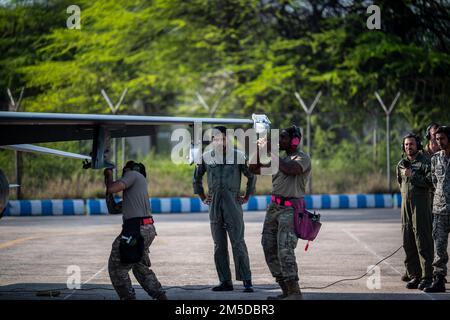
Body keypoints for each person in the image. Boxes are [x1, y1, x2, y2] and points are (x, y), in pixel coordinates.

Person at [250, 125, 311, 300]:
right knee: (268, 247)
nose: (279, 141)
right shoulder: (280, 159)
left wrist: (271, 151)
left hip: (290, 209)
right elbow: (253, 169)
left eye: (283, 137)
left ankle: (295, 292)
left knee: (285, 250)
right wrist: (259, 149)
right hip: (274, 208)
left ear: (294, 141)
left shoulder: (302, 158)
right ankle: (286, 289)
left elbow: (290, 169)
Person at [193, 126, 256, 293]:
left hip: (233, 205)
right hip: (214, 206)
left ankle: (246, 280)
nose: (219, 142)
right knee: (219, 245)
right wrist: (202, 196)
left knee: (238, 242)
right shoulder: (206, 157)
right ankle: (225, 281)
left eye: (222, 138)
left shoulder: (239, 156)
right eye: (215, 139)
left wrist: (247, 196)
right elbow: (196, 178)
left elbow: (251, 177)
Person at [104, 160, 167, 300]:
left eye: (125, 170)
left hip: (136, 230)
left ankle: (128, 298)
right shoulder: (135, 192)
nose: (123, 172)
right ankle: (160, 295)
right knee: (139, 267)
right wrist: (107, 181)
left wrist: (109, 177)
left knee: (117, 268)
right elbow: (113, 208)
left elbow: (112, 188)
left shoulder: (133, 174)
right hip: (146, 229)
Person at [396, 133, 434, 290]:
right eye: (406, 145)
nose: (408, 147)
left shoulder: (426, 162)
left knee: (423, 240)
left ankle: (427, 276)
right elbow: (400, 184)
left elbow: (430, 182)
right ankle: (414, 275)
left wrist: (413, 176)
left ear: (418, 145)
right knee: (408, 241)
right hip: (406, 206)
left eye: (411, 144)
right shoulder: (401, 164)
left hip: (421, 206)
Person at [425, 126, 450, 293]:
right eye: (437, 139)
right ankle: (439, 279)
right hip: (440, 210)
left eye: (442, 139)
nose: (439, 142)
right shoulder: (435, 159)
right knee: (439, 247)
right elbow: (434, 182)